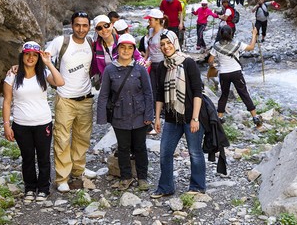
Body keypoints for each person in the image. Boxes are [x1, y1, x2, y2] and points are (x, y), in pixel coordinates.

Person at [2, 41, 65, 203]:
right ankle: (30, 187)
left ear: (38, 57)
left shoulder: (43, 74)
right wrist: (6, 125)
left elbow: (60, 82)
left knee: (43, 157)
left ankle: (43, 188)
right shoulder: (13, 75)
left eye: (34, 55)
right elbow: (7, 102)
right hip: (21, 125)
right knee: (28, 157)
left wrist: (48, 63)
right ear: (22, 55)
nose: (31, 58)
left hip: (43, 123)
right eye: (27, 54)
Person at [45, 11, 96, 193]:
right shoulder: (61, 42)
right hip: (65, 99)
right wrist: (50, 78)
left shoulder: (91, 43)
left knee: (82, 138)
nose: (81, 29)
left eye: (84, 25)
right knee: (62, 139)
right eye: (77, 25)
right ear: (71, 26)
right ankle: (62, 177)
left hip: (85, 99)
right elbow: (44, 60)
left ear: (89, 26)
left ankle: (78, 169)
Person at [150, 30, 205, 199]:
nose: (166, 47)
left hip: (191, 117)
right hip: (172, 118)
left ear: (175, 43)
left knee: (194, 152)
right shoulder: (162, 67)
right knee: (165, 151)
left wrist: (195, 118)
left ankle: (197, 186)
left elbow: (197, 92)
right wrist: (157, 118)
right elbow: (159, 94)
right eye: (163, 45)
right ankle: (166, 187)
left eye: (169, 43)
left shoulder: (188, 63)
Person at [97, 34, 154, 191]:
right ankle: (126, 177)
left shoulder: (140, 69)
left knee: (140, 147)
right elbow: (104, 95)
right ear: (118, 49)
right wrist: (101, 118)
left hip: (139, 115)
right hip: (119, 115)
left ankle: (142, 177)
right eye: (123, 47)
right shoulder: (109, 70)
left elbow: (149, 94)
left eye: (130, 48)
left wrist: (149, 116)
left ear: (134, 50)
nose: (126, 51)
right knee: (123, 148)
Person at [208, 25, 263, 128]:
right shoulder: (237, 44)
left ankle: (219, 117)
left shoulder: (216, 46)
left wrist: (213, 66)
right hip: (236, 73)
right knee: (244, 94)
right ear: (231, 34)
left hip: (224, 74)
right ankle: (255, 117)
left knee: (224, 95)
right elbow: (251, 47)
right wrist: (254, 34)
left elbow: (210, 60)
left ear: (221, 34)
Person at [92, 15, 145, 80]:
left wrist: (140, 65)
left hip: (126, 80)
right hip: (107, 82)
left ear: (111, 25)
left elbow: (139, 57)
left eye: (106, 26)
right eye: (99, 28)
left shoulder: (122, 40)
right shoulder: (95, 46)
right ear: (96, 30)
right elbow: (94, 66)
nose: (104, 30)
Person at [143, 8, 169, 109]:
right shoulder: (150, 31)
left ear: (158, 20)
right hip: (152, 62)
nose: (148, 22)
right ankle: (154, 108)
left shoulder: (165, 33)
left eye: (150, 20)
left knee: (161, 86)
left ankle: (163, 108)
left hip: (161, 63)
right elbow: (149, 47)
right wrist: (145, 59)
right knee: (152, 86)